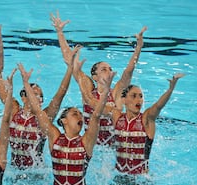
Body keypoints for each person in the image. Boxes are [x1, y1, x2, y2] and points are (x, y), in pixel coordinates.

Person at [0, 27, 82, 169]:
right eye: (33, 94)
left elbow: (60, 95)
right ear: (24, 98)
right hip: (14, 171)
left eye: (40, 96)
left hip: (37, 173)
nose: (37, 98)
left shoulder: (44, 117)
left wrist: (70, 68)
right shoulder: (14, 109)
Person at [18, 63, 115, 185]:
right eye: (75, 114)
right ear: (64, 120)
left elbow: (97, 114)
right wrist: (26, 83)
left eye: (80, 114)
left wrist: (105, 92)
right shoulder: (55, 136)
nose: (80, 116)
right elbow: (38, 111)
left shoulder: (86, 141)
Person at [51, 11, 147, 146]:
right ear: (94, 77)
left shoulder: (117, 92)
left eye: (110, 69)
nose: (109, 72)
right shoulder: (88, 88)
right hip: (92, 146)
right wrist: (60, 32)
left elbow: (128, 72)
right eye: (104, 69)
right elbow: (69, 61)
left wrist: (138, 48)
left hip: (114, 147)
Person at [108, 73, 185, 175]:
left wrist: (170, 89)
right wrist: (105, 89)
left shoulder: (146, 119)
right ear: (124, 100)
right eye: (134, 96)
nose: (139, 100)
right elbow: (96, 106)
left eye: (140, 96)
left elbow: (158, 106)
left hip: (140, 178)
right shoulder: (117, 116)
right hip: (118, 174)